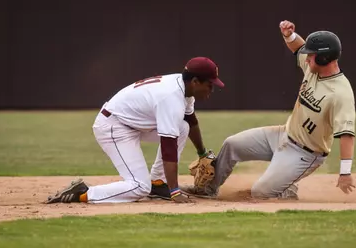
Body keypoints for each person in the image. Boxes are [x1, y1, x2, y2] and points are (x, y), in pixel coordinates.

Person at [181, 20, 356, 200]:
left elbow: (347, 135)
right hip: (283, 134)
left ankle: (287, 189)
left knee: (260, 193)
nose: (306, 57)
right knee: (231, 144)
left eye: (310, 54)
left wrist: (345, 173)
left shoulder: (340, 93)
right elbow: (298, 47)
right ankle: (208, 190)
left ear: (323, 58)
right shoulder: (313, 69)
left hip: (306, 153)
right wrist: (289, 35)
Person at [45, 56, 225, 204]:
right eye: (210, 84)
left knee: (182, 126)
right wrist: (175, 191)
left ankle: (158, 183)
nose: (212, 89)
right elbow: (168, 146)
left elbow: (191, 121)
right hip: (113, 127)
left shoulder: (184, 88)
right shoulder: (170, 97)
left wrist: (202, 153)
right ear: (195, 81)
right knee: (139, 187)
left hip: (131, 123)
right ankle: (83, 193)